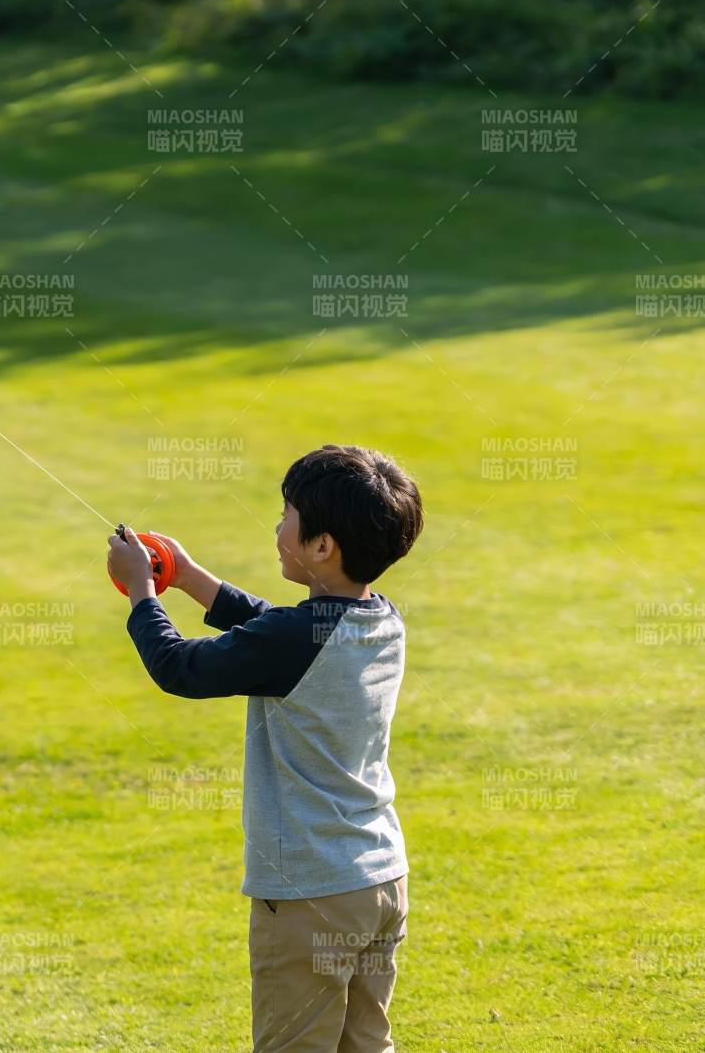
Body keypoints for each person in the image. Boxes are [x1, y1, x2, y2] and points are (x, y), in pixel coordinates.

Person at [107, 444, 424, 1053]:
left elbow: (179, 668)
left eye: (287, 516)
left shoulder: (294, 639)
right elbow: (271, 627)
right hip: (379, 881)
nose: (278, 528)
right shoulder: (380, 618)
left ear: (322, 546)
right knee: (367, 1045)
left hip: (311, 894)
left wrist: (142, 591)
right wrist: (189, 575)